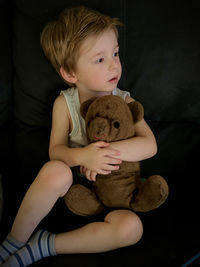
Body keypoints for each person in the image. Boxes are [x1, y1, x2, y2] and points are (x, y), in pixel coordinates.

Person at [0, 6, 157, 267]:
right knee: (55, 170)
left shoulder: (125, 101)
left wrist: (105, 155)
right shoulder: (65, 104)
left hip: (118, 194)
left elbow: (149, 145)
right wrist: (84, 156)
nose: (114, 64)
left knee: (132, 229)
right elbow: (56, 151)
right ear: (70, 74)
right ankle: (14, 241)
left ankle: (46, 245)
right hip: (75, 190)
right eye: (100, 59)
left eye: (115, 53)